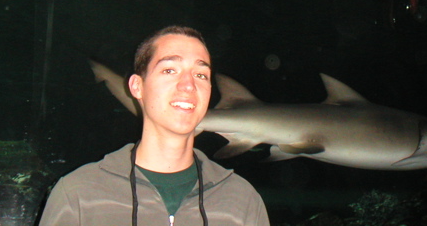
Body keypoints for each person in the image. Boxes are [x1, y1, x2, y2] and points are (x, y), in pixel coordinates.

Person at [39, 25, 270, 226]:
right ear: (137, 87)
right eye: (169, 70)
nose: (189, 85)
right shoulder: (78, 195)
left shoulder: (242, 201)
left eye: (201, 75)